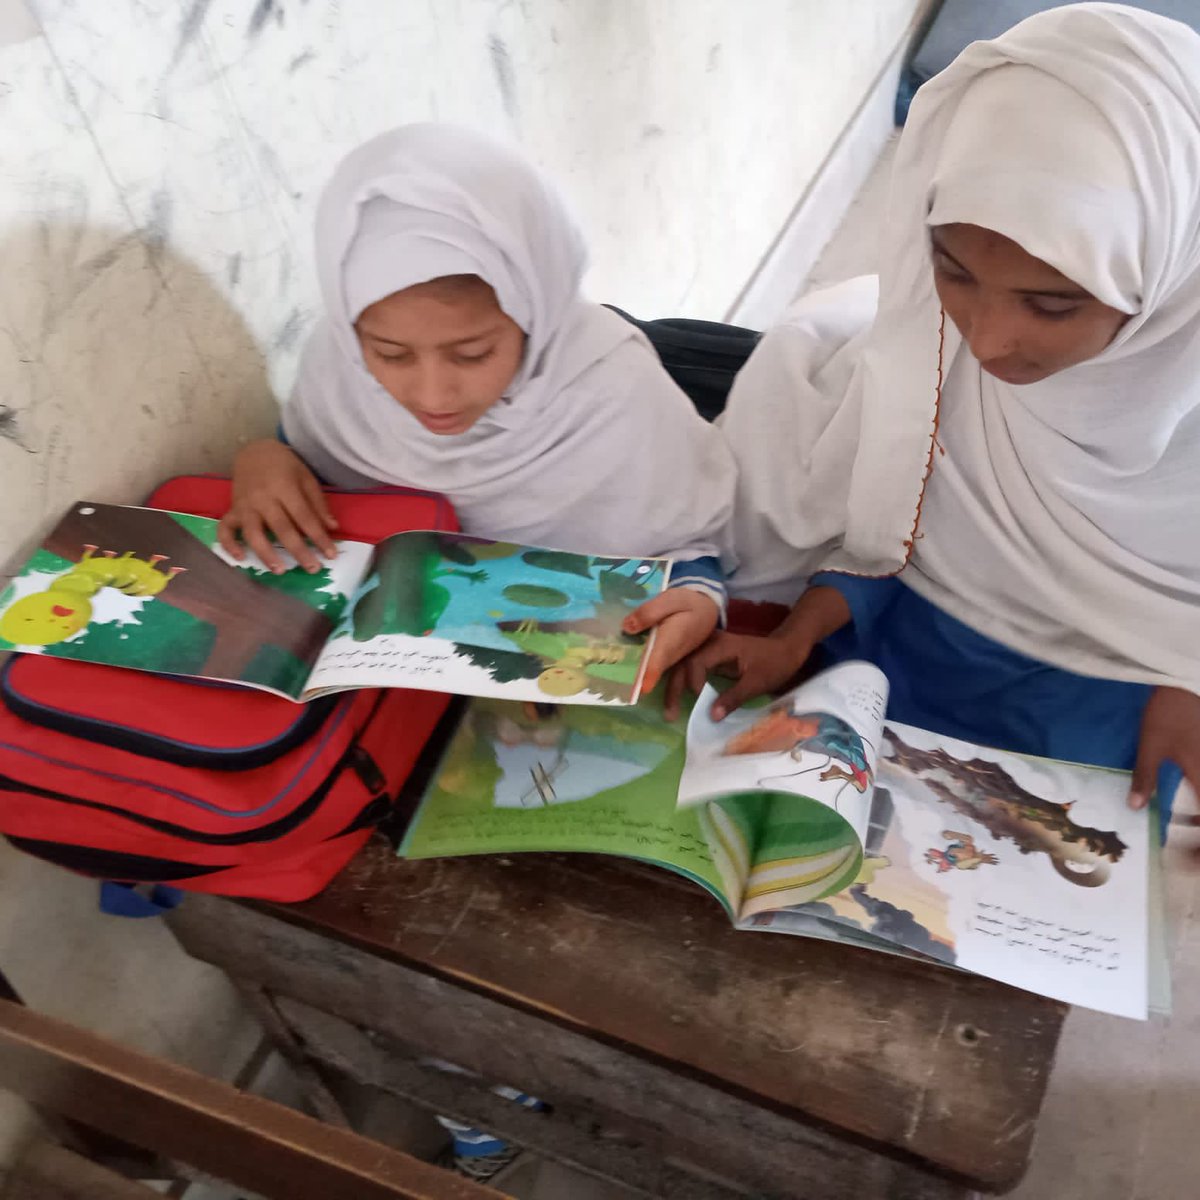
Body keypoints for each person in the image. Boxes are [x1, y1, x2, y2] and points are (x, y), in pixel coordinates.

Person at [677, 3, 1200, 844]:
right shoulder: (927, 356)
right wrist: (798, 634)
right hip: (919, 654)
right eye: (953, 274)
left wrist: (1189, 677)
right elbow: (887, 539)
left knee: (1106, 832)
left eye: (1053, 303)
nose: (989, 342)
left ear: (1173, 279)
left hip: (1111, 692)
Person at [219, 123, 736, 692]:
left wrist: (697, 599)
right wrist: (265, 458)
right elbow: (306, 459)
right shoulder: (338, 370)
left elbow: (690, 547)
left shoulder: (615, 393)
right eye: (389, 354)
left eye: (472, 354)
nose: (431, 396)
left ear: (534, 315)